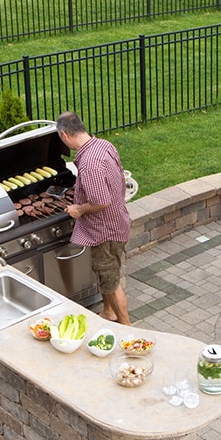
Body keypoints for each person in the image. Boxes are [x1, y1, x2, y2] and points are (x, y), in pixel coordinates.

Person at [55, 111, 132, 325]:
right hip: (119, 222)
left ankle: (128, 329)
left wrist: (79, 210)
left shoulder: (89, 163)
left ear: (65, 135)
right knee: (107, 272)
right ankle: (109, 312)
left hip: (104, 231)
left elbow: (101, 201)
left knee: (111, 281)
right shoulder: (104, 145)